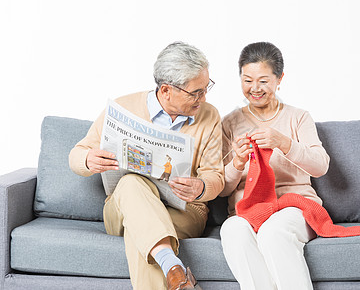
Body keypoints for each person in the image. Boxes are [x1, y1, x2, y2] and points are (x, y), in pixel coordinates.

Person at [69, 42, 224, 290]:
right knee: (131, 183)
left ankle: (171, 267)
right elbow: (76, 154)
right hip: (121, 207)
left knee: (140, 232)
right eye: (196, 92)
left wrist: (201, 187)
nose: (203, 98)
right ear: (166, 90)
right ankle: (175, 270)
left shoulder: (209, 116)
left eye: (206, 89)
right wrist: (88, 160)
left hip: (184, 211)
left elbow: (215, 176)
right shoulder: (122, 107)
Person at [219, 42, 330, 290]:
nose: (254, 89)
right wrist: (237, 162)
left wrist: (285, 143)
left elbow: (320, 166)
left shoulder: (298, 117)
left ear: (280, 79)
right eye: (247, 80)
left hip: (294, 207)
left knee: (273, 232)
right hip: (248, 210)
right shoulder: (229, 123)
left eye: (263, 81)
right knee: (232, 229)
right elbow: (223, 188)